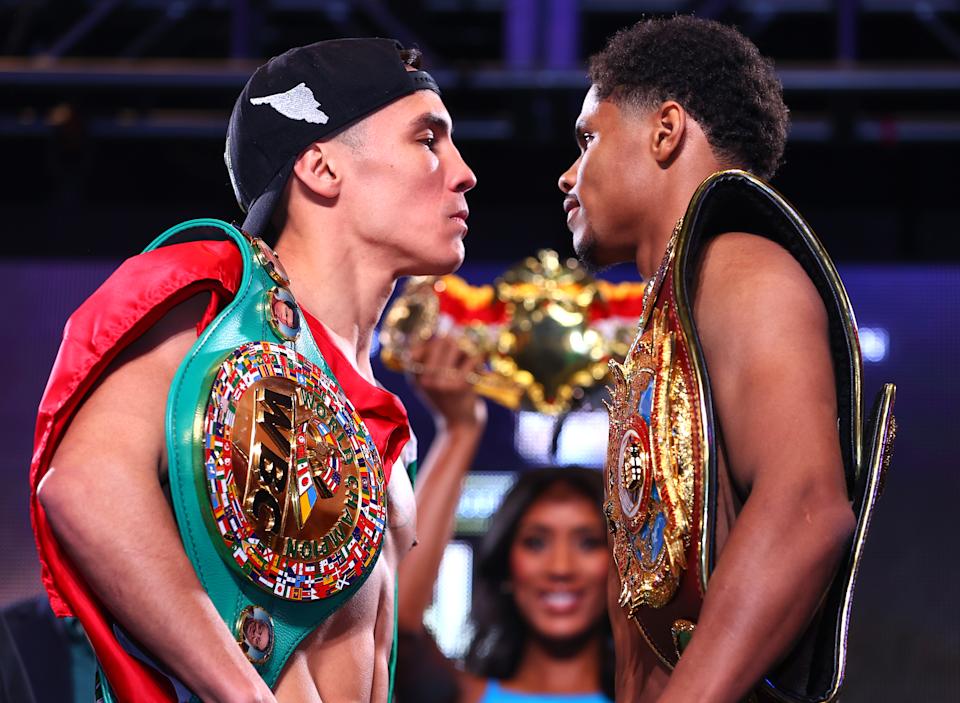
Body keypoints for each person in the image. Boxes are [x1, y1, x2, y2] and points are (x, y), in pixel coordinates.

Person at [30, 37, 476, 702]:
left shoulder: (374, 412)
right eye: (428, 139)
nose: (463, 171)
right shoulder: (218, 302)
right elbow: (85, 485)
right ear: (321, 168)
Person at [558, 16, 895, 703]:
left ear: (666, 129)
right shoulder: (683, 297)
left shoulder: (740, 268)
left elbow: (806, 506)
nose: (569, 174)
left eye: (588, 138)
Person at [395, 336, 613, 703]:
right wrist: (460, 429)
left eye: (588, 542)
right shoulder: (461, 696)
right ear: (506, 567)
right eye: (536, 542)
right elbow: (397, 621)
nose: (561, 568)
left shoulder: (680, 693)